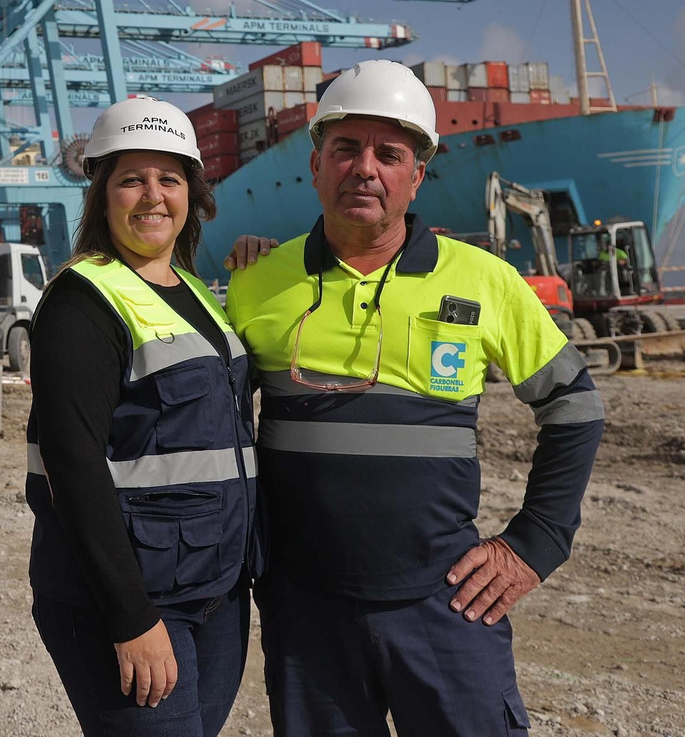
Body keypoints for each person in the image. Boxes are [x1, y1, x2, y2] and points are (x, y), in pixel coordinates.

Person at [224, 60, 604, 735]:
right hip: (306, 612)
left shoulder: (484, 279)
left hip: (447, 602)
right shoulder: (258, 283)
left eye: (388, 154)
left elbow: (574, 406)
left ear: (416, 175)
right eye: (345, 149)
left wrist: (535, 543)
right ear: (316, 165)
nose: (364, 168)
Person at [25, 95, 264, 736]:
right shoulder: (83, 300)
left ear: (192, 193)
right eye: (132, 179)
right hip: (131, 596)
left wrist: (265, 263)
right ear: (103, 195)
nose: (152, 196)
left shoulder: (195, 293)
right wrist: (130, 616)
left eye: (170, 178)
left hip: (213, 588)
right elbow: (71, 464)